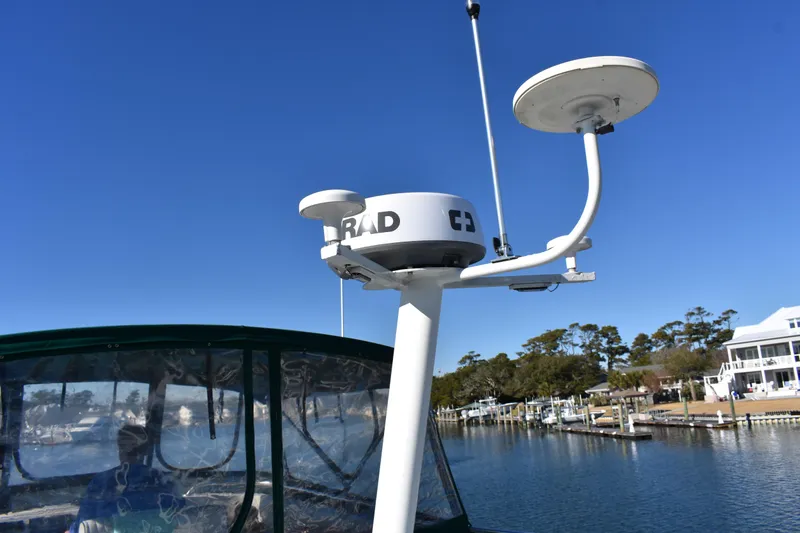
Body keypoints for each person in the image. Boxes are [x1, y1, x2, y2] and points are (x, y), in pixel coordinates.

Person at [67, 424, 185, 533]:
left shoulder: (102, 482)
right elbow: (181, 514)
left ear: (119, 449)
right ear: (145, 451)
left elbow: (84, 523)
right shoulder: (165, 481)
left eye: (122, 446)